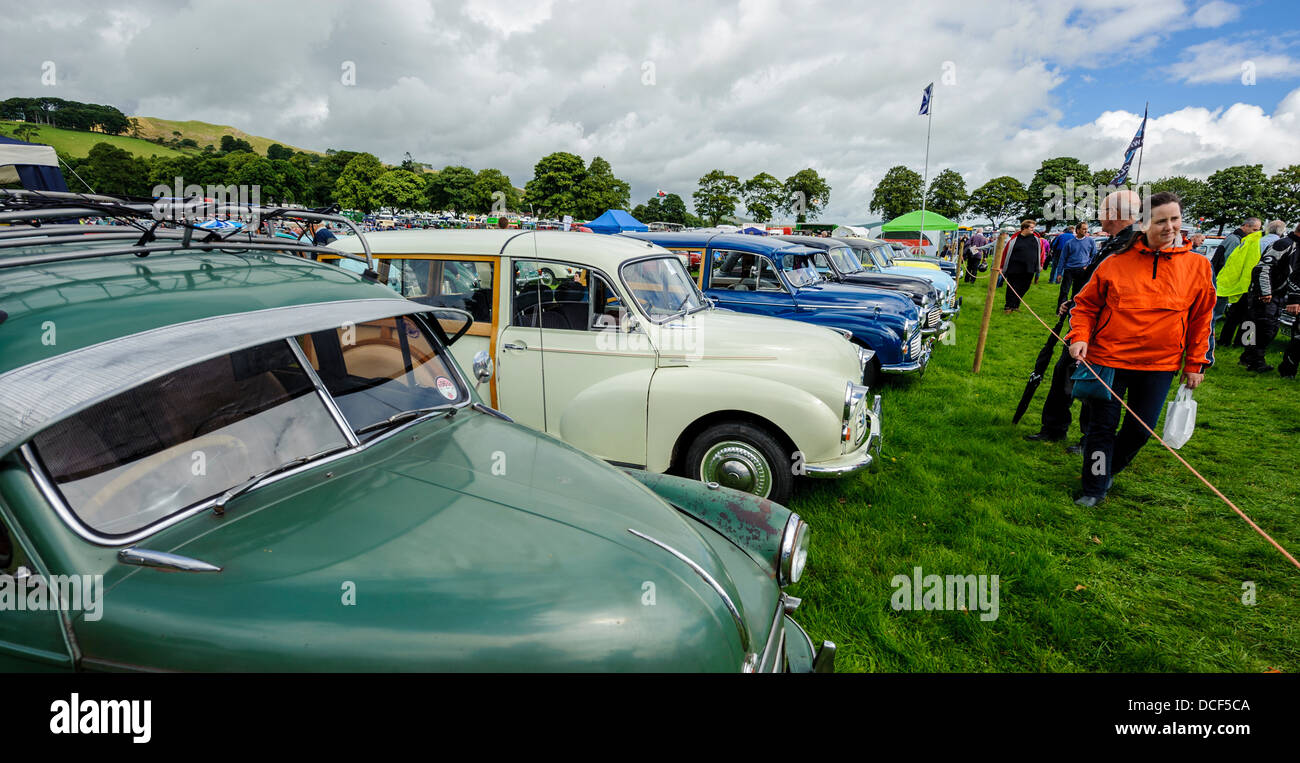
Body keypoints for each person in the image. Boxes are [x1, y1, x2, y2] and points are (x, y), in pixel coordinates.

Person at [1066, 192, 1215, 506]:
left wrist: (1195, 363)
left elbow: (1202, 318)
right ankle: (1093, 487)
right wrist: (1079, 336)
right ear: (1144, 223)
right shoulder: (1115, 262)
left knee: (1140, 431)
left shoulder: (1198, 267)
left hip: (1160, 364)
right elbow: (1086, 305)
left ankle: (1106, 470)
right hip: (1108, 359)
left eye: (1174, 219)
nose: (1170, 227)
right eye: (1161, 221)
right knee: (1101, 428)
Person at [1027, 191, 1140, 446]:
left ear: (1114, 214)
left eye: (1102, 211)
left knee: (1095, 384)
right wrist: (1077, 300)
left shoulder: (1130, 244)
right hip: (1086, 323)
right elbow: (1096, 282)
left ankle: (1089, 439)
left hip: (1106, 330)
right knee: (1063, 373)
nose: (1098, 216)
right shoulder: (1114, 242)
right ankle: (1054, 428)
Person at [1242, 222, 1300, 373]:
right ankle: (1256, 361)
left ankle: (1248, 357)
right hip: (1265, 293)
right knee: (1265, 327)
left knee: (1263, 327)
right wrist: (1265, 291)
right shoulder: (1284, 243)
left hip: (1277, 294)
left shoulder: (1294, 245)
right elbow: (1263, 267)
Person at [1216, 227, 1265, 347]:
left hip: (1242, 285)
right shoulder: (1259, 242)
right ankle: (1241, 343)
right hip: (1254, 287)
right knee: (1250, 317)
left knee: (1234, 316)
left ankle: (1224, 341)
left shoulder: (1249, 240)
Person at [1001, 219, 1041, 313]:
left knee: (1025, 287)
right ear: (1024, 228)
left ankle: (1015, 305)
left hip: (1029, 268)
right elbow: (1006, 253)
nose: (1033, 230)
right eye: (1031, 228)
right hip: (1014, 268)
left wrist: (1040, 264)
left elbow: (1040, 253)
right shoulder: (1014, 240)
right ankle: (1008, 306)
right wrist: (1002, 266)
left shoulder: (1036, 239)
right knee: (1012, 287)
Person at [1057, 221, 1095, 307]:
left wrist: (1087, 266)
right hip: (1069, 270)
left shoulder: (1090, 241)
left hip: (1082, 270)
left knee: (1077, 292)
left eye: (1086, 229)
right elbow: (1062, 258)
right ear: (1077, 230)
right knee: (1064, 291)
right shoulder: (1069, 243)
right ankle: (1059, 310)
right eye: (1084, 229)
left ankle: (1072, 310)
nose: (1086, 231)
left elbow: (1093, 255)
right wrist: (1059, 273)